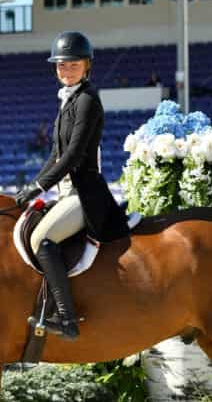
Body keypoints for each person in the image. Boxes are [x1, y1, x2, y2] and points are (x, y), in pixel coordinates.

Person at [14, 31, 130, 340]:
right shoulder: (69, 101)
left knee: (41, 239)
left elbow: (74, 154)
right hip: (67, 191)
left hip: (85, 193)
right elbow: (55, 154)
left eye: (72, 65)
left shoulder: (88, 101)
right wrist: (32, 185)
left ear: (87, 66)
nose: (66, 71)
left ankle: (67, 319)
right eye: (61, 65)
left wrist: (39, 187)